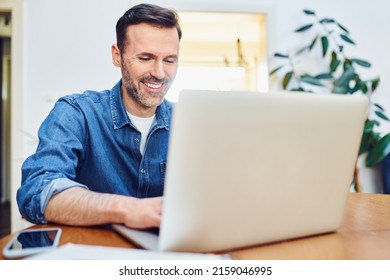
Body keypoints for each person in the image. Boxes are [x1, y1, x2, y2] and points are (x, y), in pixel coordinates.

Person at [17, 3, 182, 229]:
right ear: (117, 56)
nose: (160, 73)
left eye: (170, 60)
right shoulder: (76, 113)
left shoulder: (187, 123)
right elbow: (37, 191)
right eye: (145, 58)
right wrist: (126, 209)